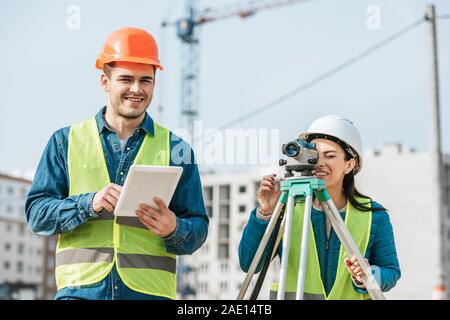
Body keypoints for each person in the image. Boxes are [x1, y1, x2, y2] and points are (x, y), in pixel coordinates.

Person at [25, 27, 208, 300]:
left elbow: (198, 228)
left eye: (145, 80)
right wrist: (89, 203)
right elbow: (37, 215)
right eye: (126, 79)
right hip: (82, 292)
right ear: (104, 82)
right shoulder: (66, 141)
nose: (137, 89)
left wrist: (174, 228)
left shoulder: (177, 149)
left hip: (150, 293)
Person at [239, 115, 401, 300]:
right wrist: (265, 213)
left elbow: (391, 272)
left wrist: (368, 276)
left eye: (330, 155)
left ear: (349, 164)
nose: (319, 162)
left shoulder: (373, 215)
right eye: (314, 154)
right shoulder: (288, 208)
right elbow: (248, 264)